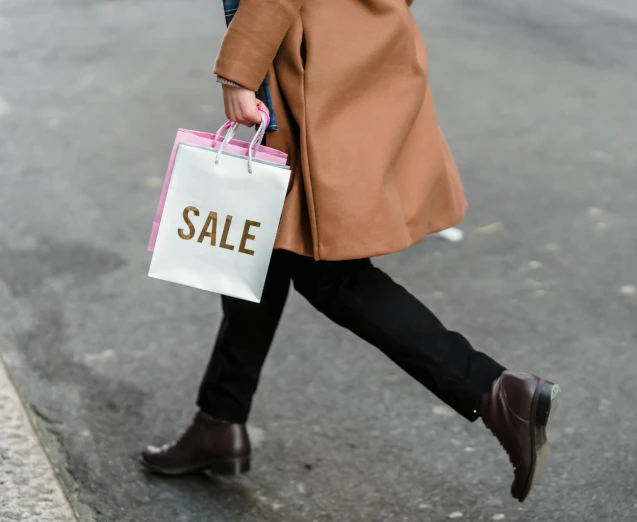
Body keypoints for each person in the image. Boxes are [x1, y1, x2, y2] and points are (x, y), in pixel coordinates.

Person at [140, 0, 560, 503]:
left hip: (317, 61)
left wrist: (239, 70)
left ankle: (493, 390)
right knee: (265, 246)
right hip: (360, 47)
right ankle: (219, 421)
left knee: (327, 272)